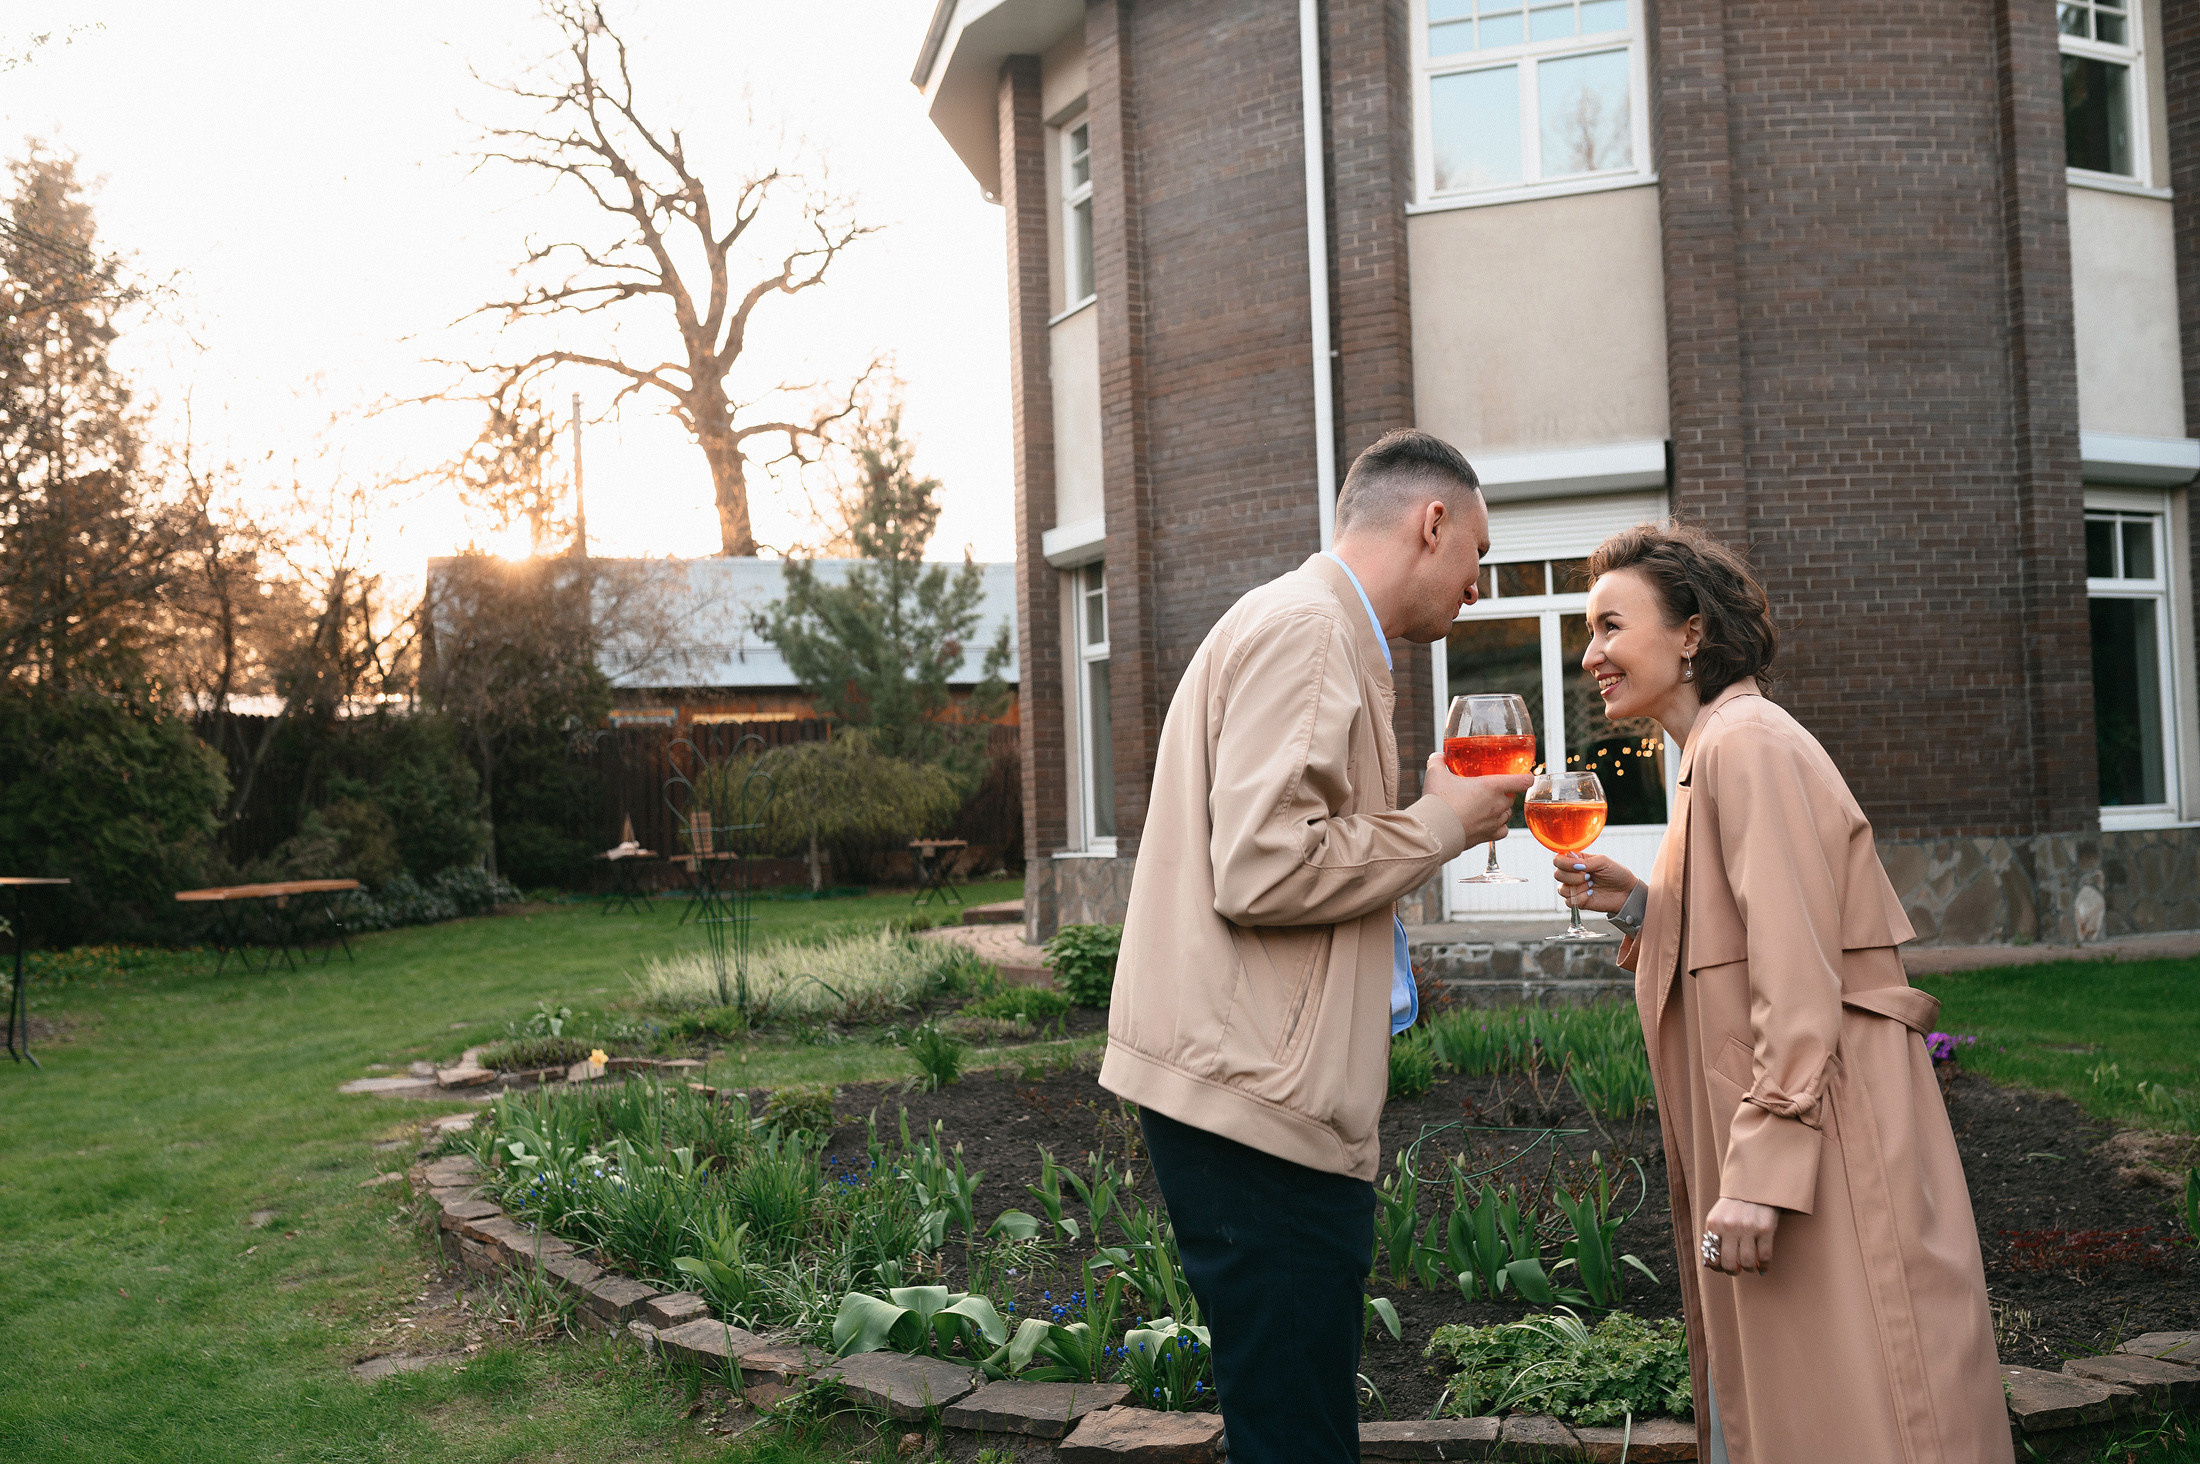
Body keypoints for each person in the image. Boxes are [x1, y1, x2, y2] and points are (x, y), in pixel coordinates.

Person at [1097, 429, 1529, 1464]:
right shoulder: (1310, 632)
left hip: (1254, 1094)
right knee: (1297, 1435)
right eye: (1476, 554)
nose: (1476, 588)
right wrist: (1442, 826)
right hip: (1258, 1111)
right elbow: (1263, 868)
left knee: (1288, 1418)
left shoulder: (1306, 626)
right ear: (1431, 524)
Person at [1551, 523, 2011, 1464]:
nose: (1589, 653)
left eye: (1609, 625)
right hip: (1804, 1137)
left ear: (1690, 633)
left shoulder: (1744, 744)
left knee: (1863, 1407)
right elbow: (1745, 938)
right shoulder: (1711, 753)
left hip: (1825, 1148)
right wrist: (1641, 902)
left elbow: (1799, 975)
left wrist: (1761, 1174)